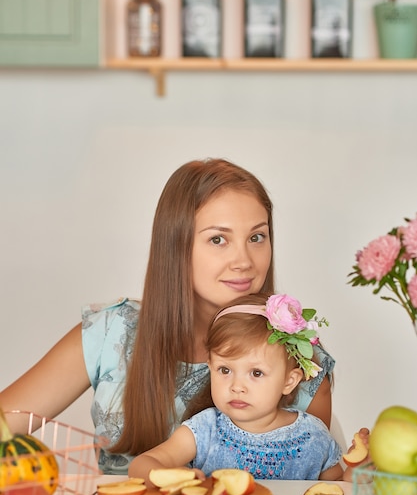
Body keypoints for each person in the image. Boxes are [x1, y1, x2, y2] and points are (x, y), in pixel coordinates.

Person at [0, 158, 337, 475]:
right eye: (218, 239)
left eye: (256, 237)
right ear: (175, 246)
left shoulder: (303, 365)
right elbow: (5, 423)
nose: (244, 260)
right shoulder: (109, 333)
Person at [129, 292, 353, 485]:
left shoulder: (313, 436)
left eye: (256, 373)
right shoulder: (204, 430)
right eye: (225, 370)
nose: (236, 387)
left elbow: (334, 492)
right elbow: (141, 465)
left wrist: (355, 475)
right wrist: (171, 476)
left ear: (289, 381)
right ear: (210, 367)